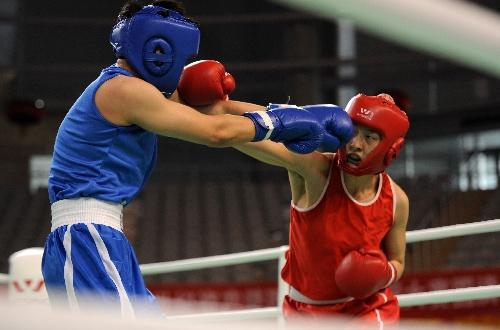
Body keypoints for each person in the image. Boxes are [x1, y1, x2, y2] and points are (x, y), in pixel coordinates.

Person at [41, 0, 347, 317]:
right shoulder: (123, 91)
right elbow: (216, 131)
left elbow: (219, 111)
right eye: (184, 57)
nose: (183, 66)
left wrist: (296, 116)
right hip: (86, 238)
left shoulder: (138, 90)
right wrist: (278, 125)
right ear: (159, 49)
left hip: (101, 238)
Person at [179, 61, 410, 327]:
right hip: (304, 313)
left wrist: (382, 273)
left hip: (367, 310)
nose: (356, 144)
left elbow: (398, 260)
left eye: (370, 137)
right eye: (354, 131)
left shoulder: (396, 200)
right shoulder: (316, 170)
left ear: (390, 149)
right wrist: (219, 107)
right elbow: (270, 130)